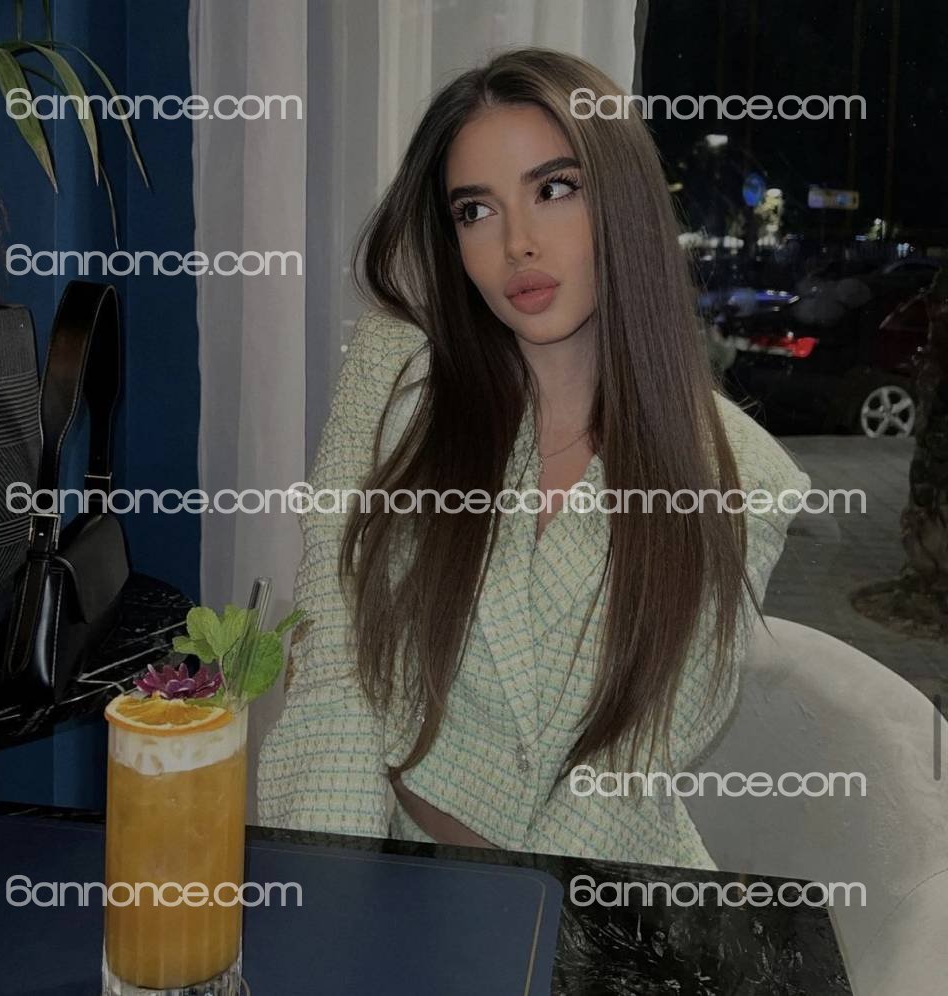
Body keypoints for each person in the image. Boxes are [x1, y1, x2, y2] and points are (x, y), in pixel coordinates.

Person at [256, 48, 809, 868]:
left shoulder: (739, 475)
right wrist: (333, 890)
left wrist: (515, 919)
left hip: (600, 897)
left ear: (622, 201)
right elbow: (335, 665)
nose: (517, 243)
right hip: (393, 874)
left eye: (554, 189)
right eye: (475, 210)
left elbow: (625, 778)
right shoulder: (395, 376)